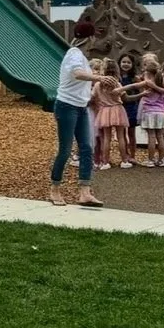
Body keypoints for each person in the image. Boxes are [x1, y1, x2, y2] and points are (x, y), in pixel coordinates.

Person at [51, 20, 104, 206]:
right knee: (65, 150)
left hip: (80, 107)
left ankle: (85, 192)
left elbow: (79, 81)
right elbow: (77, 74)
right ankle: (55, 189)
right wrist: (99, 77)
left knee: (87, 148)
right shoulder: (74, 54)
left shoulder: (80, 56)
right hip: (67, 106)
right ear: (90, 38)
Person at [91, 59, 130, 171]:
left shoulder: (98, 84)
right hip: (117, 109)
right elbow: (124, 97)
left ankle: (105, 162)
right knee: (121, 136)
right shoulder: (117, 83)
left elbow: (93, 97)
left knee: (107, 138)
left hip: (105, 111)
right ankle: (124, 161)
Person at [136, 53, 164, 167]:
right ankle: (161, 159)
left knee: (151, 136)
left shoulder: (146, 80)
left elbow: (145, 84)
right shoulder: (161, 80)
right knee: (160, 136)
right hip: (160, 112)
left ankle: (150, 160)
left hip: (149, 111)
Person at [115, 52, 141, 166]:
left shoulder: (135, 78)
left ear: (132, 64)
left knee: (131, 133)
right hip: (120, 107)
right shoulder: (117, 78)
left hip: (131, 108)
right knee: (122, 133)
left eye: (128, 62)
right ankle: (124, 155)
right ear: (119, 63)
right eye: (123, 62)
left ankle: (132, 155)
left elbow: (140, 92)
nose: (126, 64)